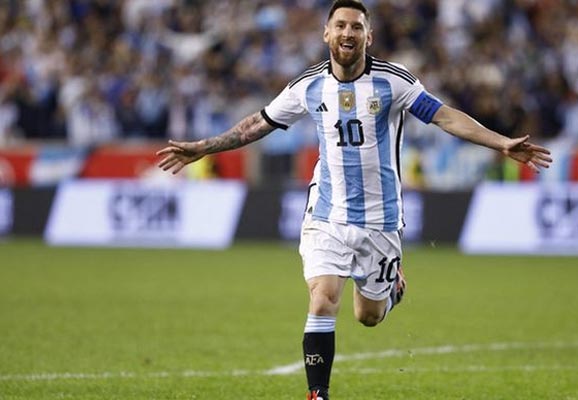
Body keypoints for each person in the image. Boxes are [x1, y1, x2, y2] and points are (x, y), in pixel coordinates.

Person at [156, 1, 553, 398]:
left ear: (369, 36)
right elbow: (258, 123)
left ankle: (391, 288)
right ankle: (318, 394)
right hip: (327, 212)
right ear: (326, 34)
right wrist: (204, 148)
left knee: (368, 316)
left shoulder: (394, 82)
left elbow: (444, 116)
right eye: (341, 26)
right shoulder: (308, 86)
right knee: (323, 298)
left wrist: (501, 143)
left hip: (380, 219)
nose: (348, 33)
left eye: (356, 27)